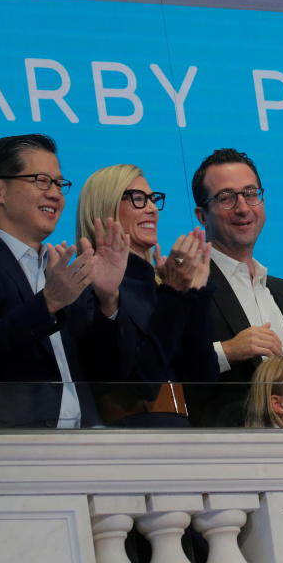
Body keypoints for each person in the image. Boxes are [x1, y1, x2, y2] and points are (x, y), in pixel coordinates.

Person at [0, 134, 130, 427]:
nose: (56, 194)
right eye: (42, 181)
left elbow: (106, 370)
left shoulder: (63, 267)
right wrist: (49, 303)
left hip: (84, 444)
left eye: (59, 184)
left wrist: (108, 300)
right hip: (8, 448)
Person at [77, 165, 218, 426]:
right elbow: (140, 384)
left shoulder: (158, 284)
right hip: (132, 439)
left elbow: (203, 378)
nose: (152, 208)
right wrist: (174, 294)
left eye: (153, 199)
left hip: (179, 432)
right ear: (105, 208)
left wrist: (195, 293)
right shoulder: (90, 286)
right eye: (138, 199)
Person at [191, 148, 283, 425]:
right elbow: (166, 369)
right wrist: (227, 350)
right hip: (226, 451)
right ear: (202, 216)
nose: (242, 208)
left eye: (251, 194)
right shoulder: (186, 282)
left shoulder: (281, 290)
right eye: (226, 198)